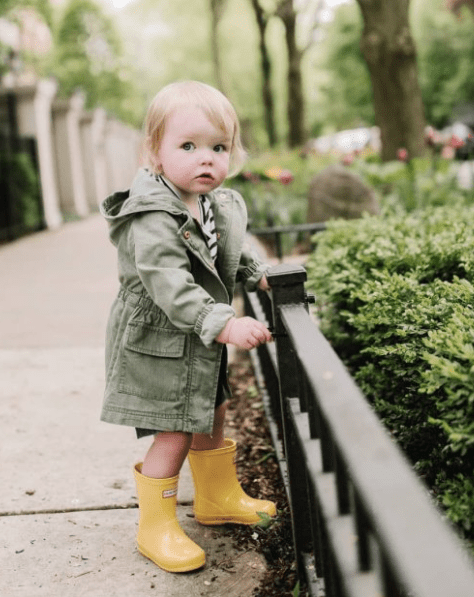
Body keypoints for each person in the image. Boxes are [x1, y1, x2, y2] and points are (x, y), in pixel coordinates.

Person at [100, 80, 276, 573]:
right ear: (154, 152)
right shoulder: (153, 216)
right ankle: (154, 525)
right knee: (174, 429)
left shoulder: (211, 203)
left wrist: (257, 273)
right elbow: (169, 285)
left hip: (198, 339)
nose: (207, 160)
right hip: (159, 339)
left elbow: (228, 251)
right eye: (189, 146)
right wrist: (222, 323)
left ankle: (217, 496)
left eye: (219, 147)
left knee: (211, 410)